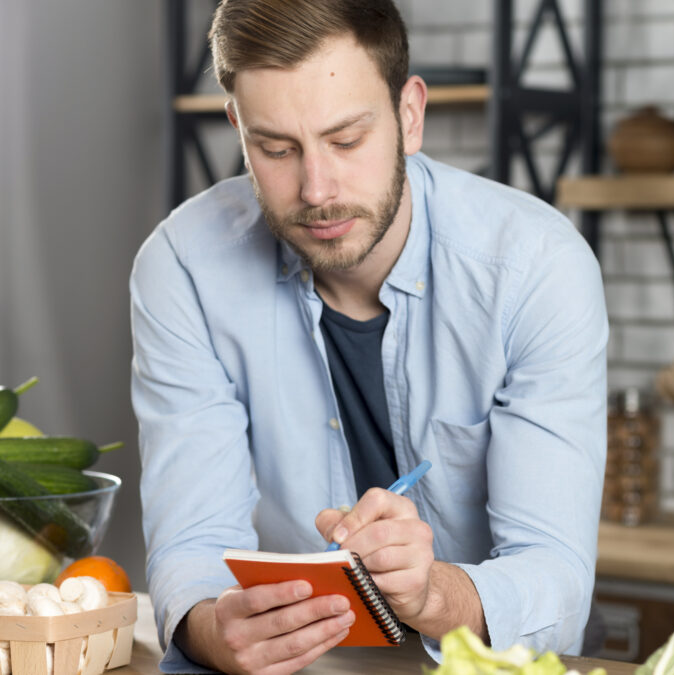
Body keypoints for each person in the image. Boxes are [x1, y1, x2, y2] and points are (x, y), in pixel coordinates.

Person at [129, 1, 608, 673]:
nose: (317, 189)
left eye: (347, 140)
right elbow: (194, 547)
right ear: (237, 126)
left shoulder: (537, 269)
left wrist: (430, 590)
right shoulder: (182, 266)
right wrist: (214, 629)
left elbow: (556, 579)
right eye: (275, 148)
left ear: (409, 115)